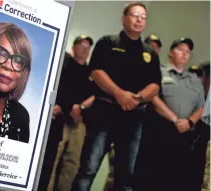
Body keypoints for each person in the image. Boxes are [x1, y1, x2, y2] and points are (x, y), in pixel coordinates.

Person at [72, 2, 162, 191]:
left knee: (126, 175)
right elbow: (96, 72)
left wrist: (136, 98)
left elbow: (155, 85)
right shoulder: (107, 42)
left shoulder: (150, 53)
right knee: (88, 168)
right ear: (124, 18)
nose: (139, 20)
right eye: (135, 15)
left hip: (134, 117)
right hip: (104, 113)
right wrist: (120, 94)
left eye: (143, 17)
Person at [148, 37, 205, 191]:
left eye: (187, 52)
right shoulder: (159, 72)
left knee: (178, 180)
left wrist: (190, 122)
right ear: (170, 53)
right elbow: (153, 97)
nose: (184, 54)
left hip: (185, 137)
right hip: (160, 134)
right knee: (155, 179)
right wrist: (175, 119)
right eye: (180, 50)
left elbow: (201, 106)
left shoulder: (194, 80)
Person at [39, 35, 95, 191]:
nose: (85, 49)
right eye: (82, 45)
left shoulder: (91, 72)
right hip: (61, 119)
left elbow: (96, 94)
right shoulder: (65, 65)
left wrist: (81, 107)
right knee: (52, 159)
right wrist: (67, 107)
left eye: (88, 47)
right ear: (74, 47)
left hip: (79, 122)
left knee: (72, 163)